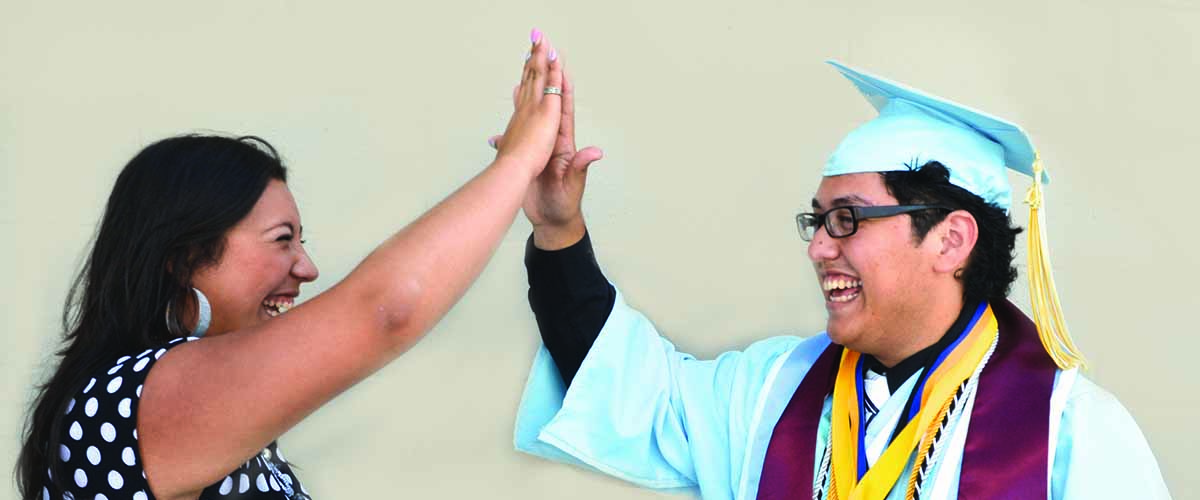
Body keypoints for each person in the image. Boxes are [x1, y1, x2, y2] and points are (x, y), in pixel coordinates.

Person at [512, 61, 1171, 499]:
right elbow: (629, 386)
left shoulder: (1072, 435)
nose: (819, 247)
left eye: (849, 219)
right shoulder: (772, 394)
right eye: (817, 219)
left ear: (951, 239)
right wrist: (558, 231)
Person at [17, 29, 565, 500]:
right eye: (282, 240)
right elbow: (386, 311)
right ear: (185, 258)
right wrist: (517, 162)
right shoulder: (136, 402)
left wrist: (555, 225)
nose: (306, 268)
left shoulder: (186, 412)